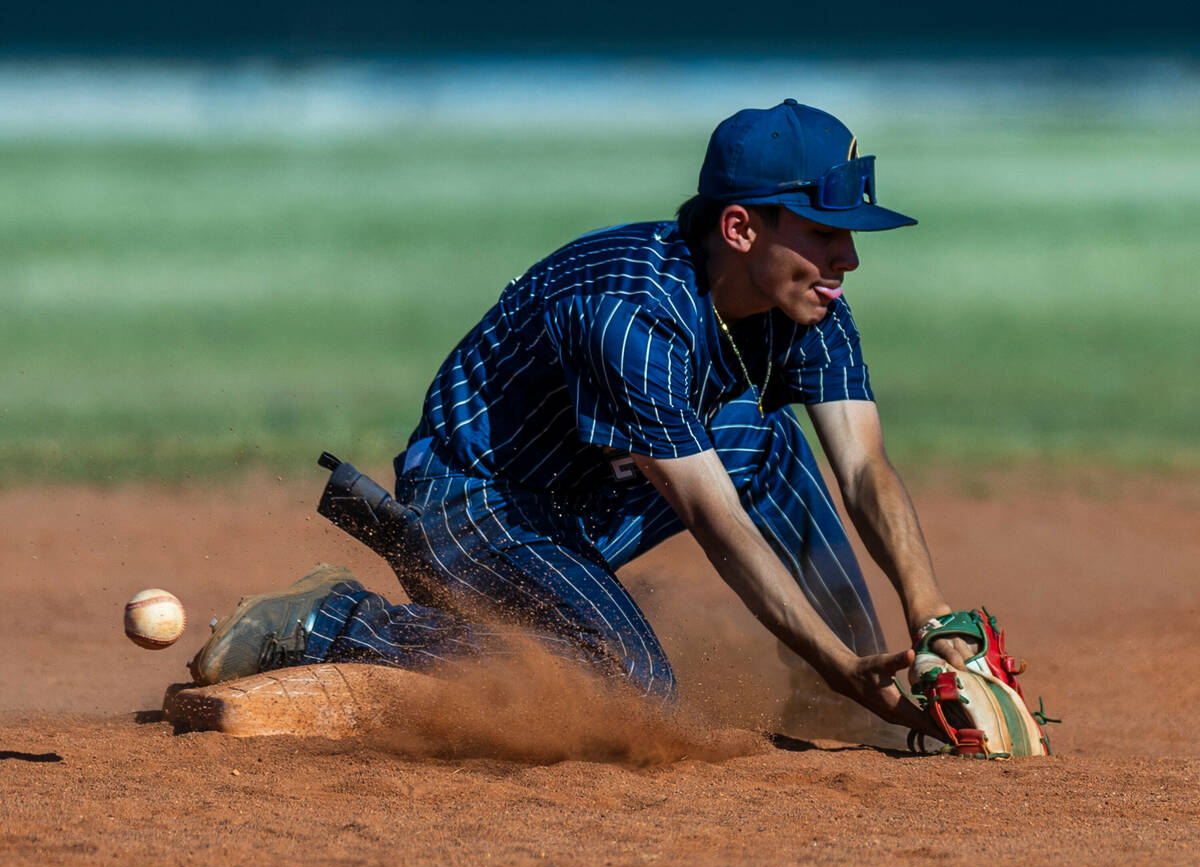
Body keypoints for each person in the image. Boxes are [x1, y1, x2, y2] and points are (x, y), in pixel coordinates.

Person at [191, 99, 973, 737]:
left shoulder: (807, 304)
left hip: (585, 501)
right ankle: (332, 621)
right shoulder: (631, 312)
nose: (850, 259)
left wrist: (929, 616)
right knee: (628, 686)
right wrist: (833, 650)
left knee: (766, 443)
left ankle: (837, 693)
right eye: (825, 233)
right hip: (475, 504)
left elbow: (864, 470)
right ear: (740, 228)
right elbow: (712, 516)